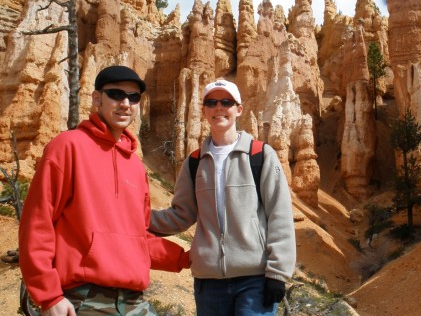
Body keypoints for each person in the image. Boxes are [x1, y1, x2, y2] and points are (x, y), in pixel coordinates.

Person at [19, 65, 190, 316]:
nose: (125, 103)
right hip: (83, 299)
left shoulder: (135, 166)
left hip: (133, 300)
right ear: (97, 98)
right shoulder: (68, 147)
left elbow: (138, 239)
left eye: (133, 97)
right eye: (116, 94)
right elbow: (37, 223)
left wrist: (185, 259)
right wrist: (49, 296)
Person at [150, 79, 296, 316]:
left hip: (254, 280)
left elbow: (279, 214)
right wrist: (135, 219)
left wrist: (278, 273)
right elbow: (180, 215)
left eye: (226, 102)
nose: (219, 107)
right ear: (204, 111)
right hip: (209, 284)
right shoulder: (195, 162)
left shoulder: (260, 155)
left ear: (238, 109)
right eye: (211, 102)